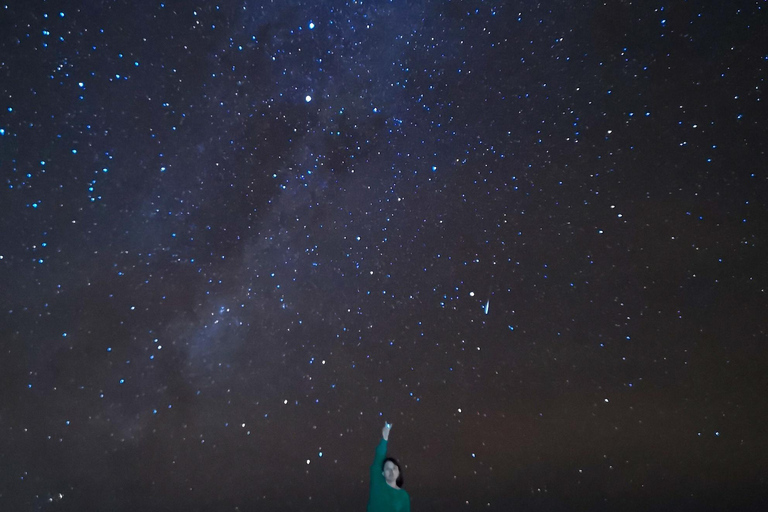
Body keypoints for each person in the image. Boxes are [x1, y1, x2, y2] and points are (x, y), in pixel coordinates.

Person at [366, 421, 411, 512]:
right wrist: (385, 439)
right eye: (388, 469)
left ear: (398, 472)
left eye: (394, 468)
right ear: (382, 473)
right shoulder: (377, 484)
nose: (391, 471)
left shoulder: (403, 496)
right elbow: (379, 458)